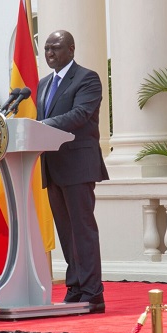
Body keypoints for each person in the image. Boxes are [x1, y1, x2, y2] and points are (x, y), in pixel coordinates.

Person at [36, 30, 109, 314]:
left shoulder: (87, 78)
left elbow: (80, 115)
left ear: (71, 48)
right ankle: (76, 288)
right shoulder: (43, 84)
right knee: (67, 234)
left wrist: (42, 126)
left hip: (78, 166)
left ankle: (93, 294)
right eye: (46, 49)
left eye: (55, 48)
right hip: (53, 168)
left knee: (83, 231)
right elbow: (44, 121)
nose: (50, 54)